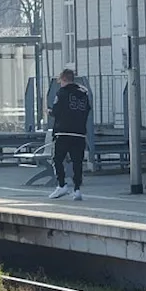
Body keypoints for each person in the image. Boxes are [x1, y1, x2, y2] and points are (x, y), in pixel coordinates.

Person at [47, 69, 91, 201]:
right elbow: (87, 110)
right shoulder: (84, 93)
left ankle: (62, 185)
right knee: (77, 162)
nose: (60, 84)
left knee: (57, 159)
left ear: (64, 79)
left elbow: (56, 111)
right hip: (79, 133)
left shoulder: (62, 92)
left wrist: (49, 112)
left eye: (60, 81)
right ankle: (77, 189)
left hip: (63, 131)